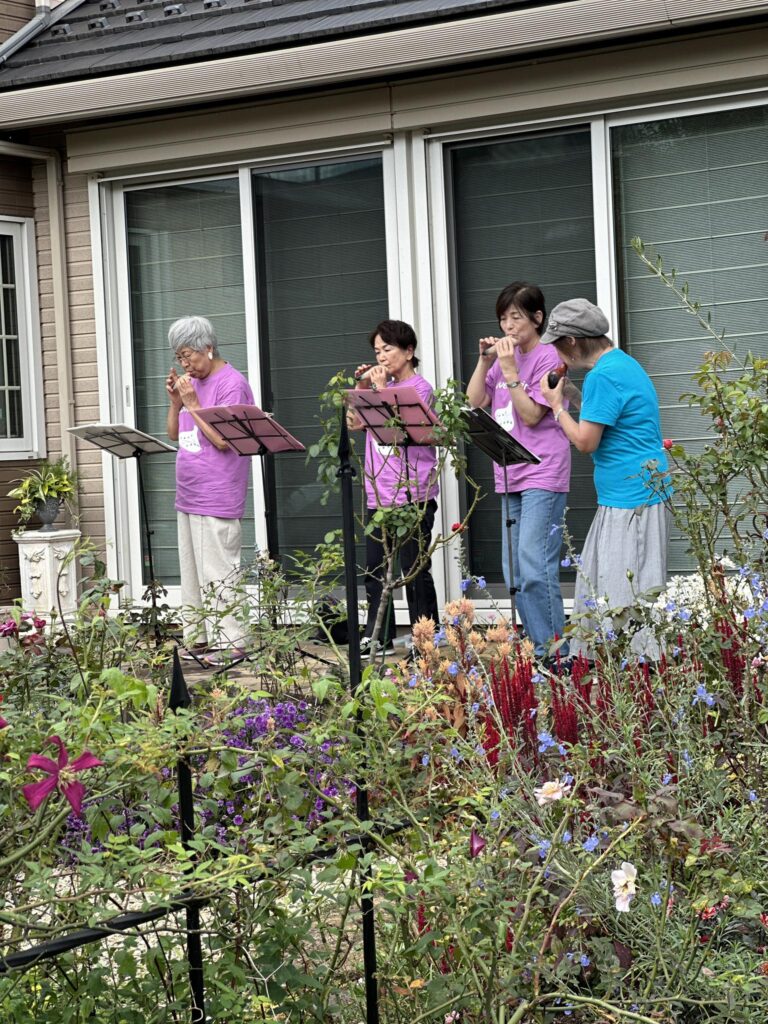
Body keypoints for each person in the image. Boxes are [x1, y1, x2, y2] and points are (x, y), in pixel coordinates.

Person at [538, 298, 671, 658]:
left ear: (571, 341)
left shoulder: (602, 375)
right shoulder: (622, 363)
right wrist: (571, 394)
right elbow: (606, 418)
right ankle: (620, 668)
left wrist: (556, 406)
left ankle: (636, 672)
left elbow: (585, 441)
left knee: (624, 596)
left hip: (631, 498)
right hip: (634, 493)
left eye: (556, 343)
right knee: (613, 587)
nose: (555, 352)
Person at [466, 282, 571, 660]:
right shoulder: (502, 360)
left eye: (516, 317)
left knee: (535, 565)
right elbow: (474, 401)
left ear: (537, 318)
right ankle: (540, 649)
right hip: (510, 472)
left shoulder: (549, 357)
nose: (508, 326)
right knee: (514, 573)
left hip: (543, 471)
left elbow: (530, 415)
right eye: (503, 319)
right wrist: (485, 361)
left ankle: (555, 654)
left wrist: (510, 370)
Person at [346, 319, 440, 658]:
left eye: (387, 349)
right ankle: (378, 636)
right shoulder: (378, 388)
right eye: (377, 351)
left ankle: (424, 638)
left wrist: (380, 388)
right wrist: (362, 388)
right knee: (375, 569)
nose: (381, 357)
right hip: (379, 491)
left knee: (414, 570)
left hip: (413, 492)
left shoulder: (420, 389)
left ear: (409, 351)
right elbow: (354, 423)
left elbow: (400, 429)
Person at [165, 316, 254, 665]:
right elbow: (174, 434)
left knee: (219, 572)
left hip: (217, 493)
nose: (185, 364)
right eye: (179, 357)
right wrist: (176, 402)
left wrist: (193, 404)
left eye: (188, 355)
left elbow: (223, 441)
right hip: (188, 491)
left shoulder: (232, 384)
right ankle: (199, 639)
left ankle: (233, 642)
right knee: (192, 573)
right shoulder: (190, 386)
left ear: (208, 347)